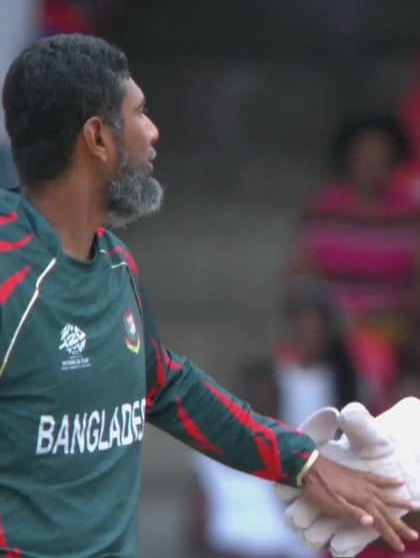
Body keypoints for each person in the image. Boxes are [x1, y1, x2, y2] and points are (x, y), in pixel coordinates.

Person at [0, 34, 417, 557]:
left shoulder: (113, 263)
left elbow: (167, 387)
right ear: (97, 139)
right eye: (140, 113)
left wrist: (305, 463)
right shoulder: (10, 277)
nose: (154, 132)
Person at [287, 115, 420, 414]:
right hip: (333, 325)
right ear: (348, 159)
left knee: (379, 352)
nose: (371, 164)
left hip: (394, 327)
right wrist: (338, 315)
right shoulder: (324, 208)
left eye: (380, 157)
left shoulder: (410, 213)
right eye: (364, 156)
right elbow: (298, 275)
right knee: (312, 325)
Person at [189, 360, 320, 558]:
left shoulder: (301, 451)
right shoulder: (210, 455)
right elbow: (196, 535)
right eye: (255, 405)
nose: (262, 415)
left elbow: (310, 525)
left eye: (269, 405)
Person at [274, 277, 358, 428]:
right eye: (303, 329)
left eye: (315, 330)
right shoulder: (280, 376)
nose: (310, 338)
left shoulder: (344, 379)